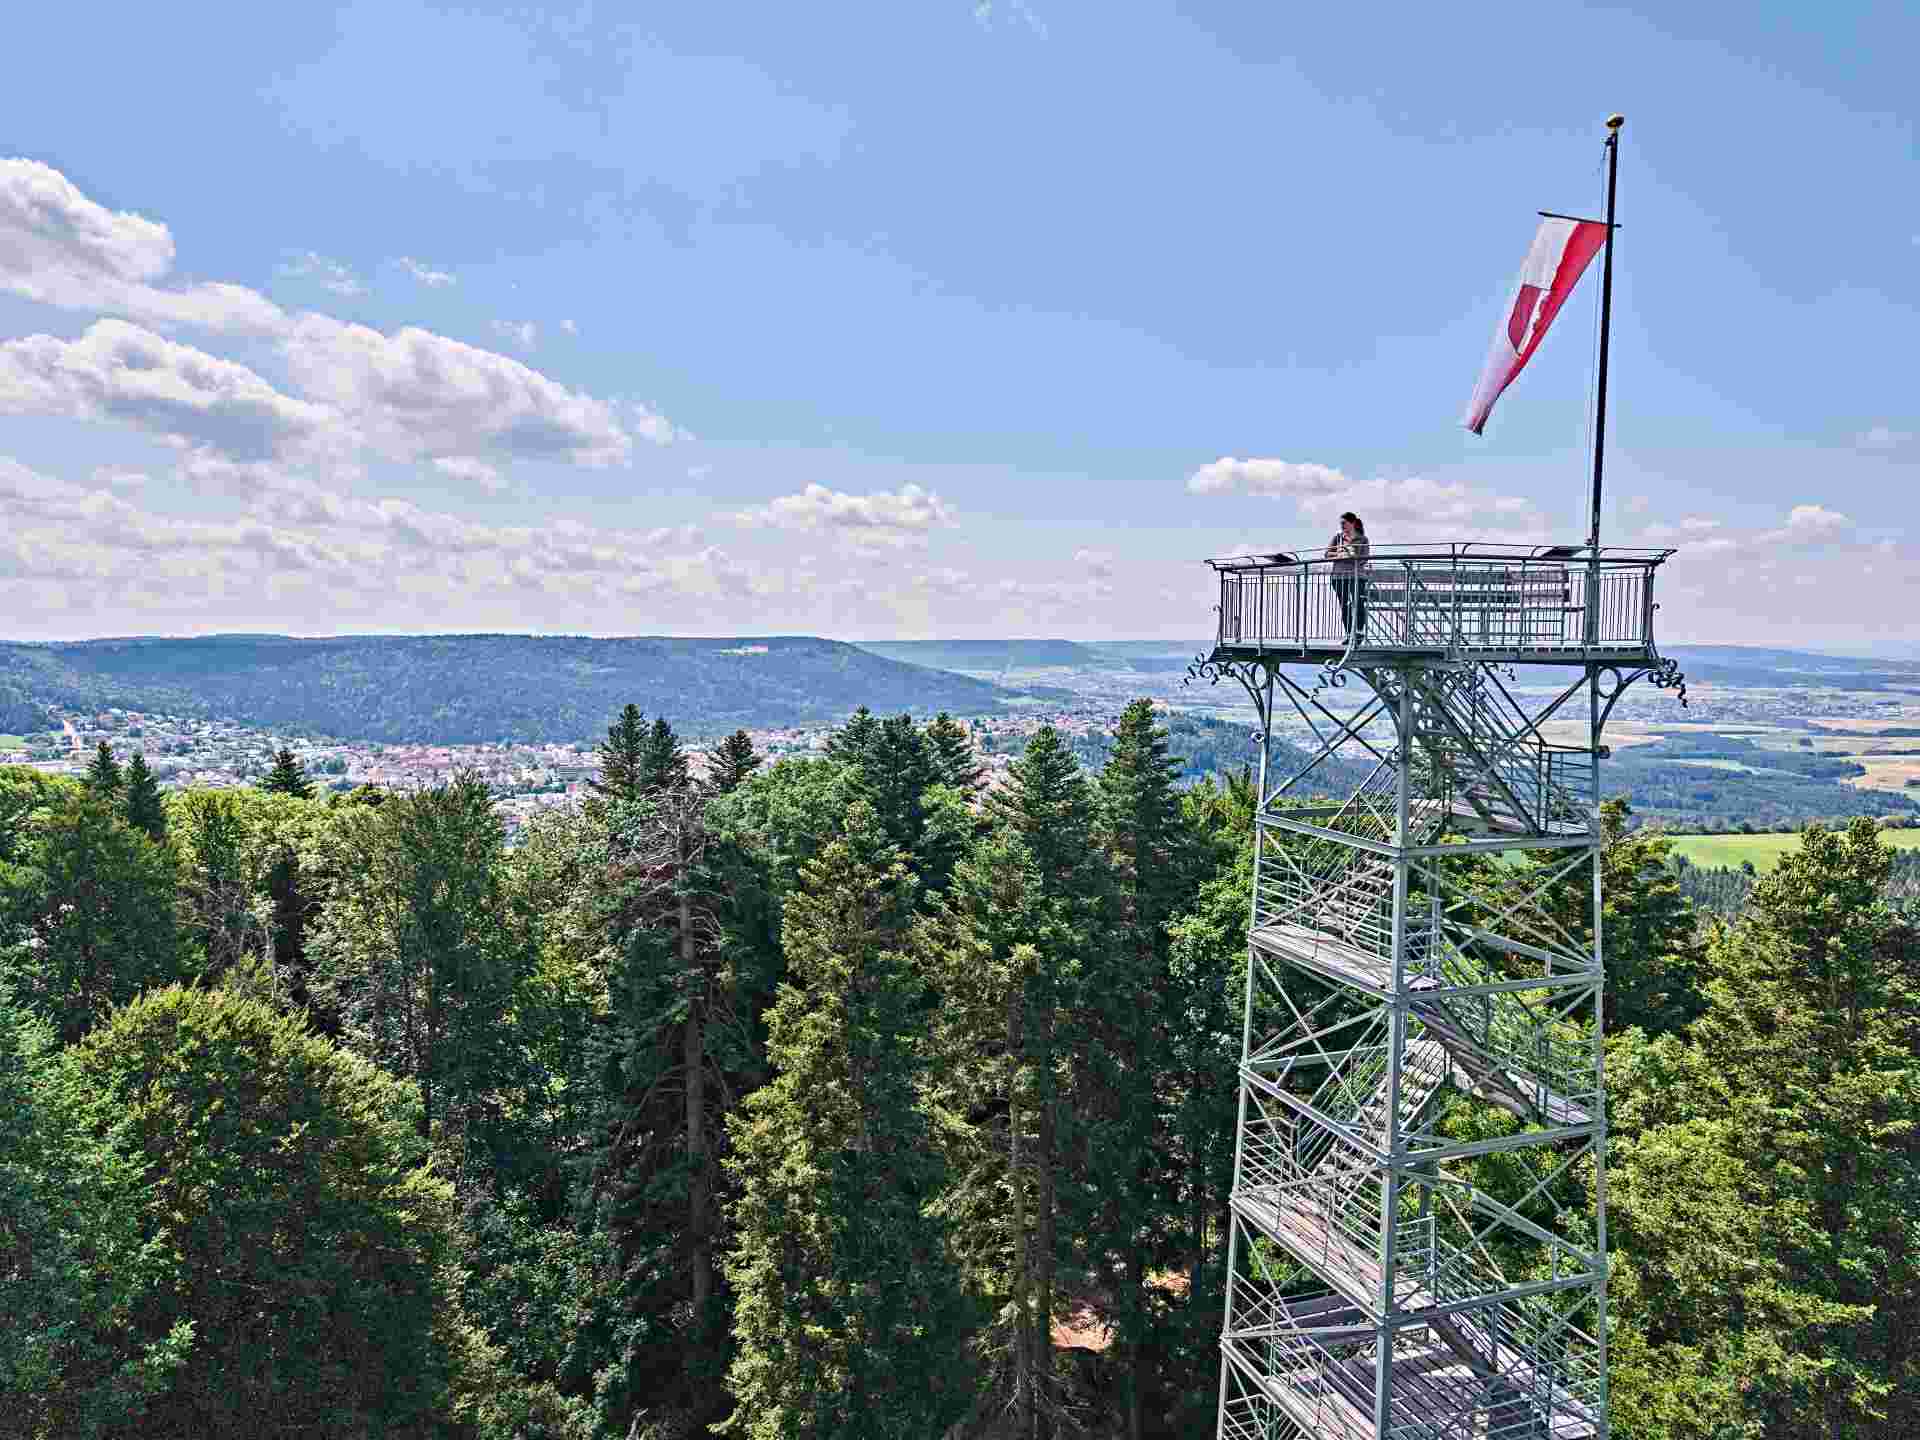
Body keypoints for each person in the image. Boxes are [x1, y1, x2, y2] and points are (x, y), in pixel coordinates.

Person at [1324, 511, 1370, 640]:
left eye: (1344, 523)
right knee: (1345, 605)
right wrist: (1340, 554)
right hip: (1339, 577)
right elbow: (1327, 554)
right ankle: (1349, 634)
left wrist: (1351, 555)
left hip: (1357, 576)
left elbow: (1364, 558)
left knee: (1358, 603)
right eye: (1341, 523)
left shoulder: (1362, 539)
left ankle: (1359, 632)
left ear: (1353, 523)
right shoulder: (1337, 538)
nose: (1342, 526)